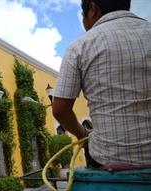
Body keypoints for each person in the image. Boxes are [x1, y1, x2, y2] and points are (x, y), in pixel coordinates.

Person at [52, 0, 151, 168]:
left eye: (83, 16)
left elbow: (60, 110)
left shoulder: (79, 46)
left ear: (92, 9)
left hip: (107, 160)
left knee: (93, 149)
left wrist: (83, 134)